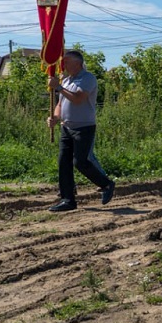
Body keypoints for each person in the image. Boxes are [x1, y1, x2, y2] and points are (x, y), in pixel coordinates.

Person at [47, 50, 115, 212]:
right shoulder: (66, 80)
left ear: (77, 63)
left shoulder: (88, 78)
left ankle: (106, 184)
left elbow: (78, 99)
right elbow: (60, 104)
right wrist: (55, 118)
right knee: (63, 163)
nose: (63, 65)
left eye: (67, 61)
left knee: (81, 162)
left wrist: (59, 87)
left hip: (84, 127)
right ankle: (68, 200)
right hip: (66, 127)